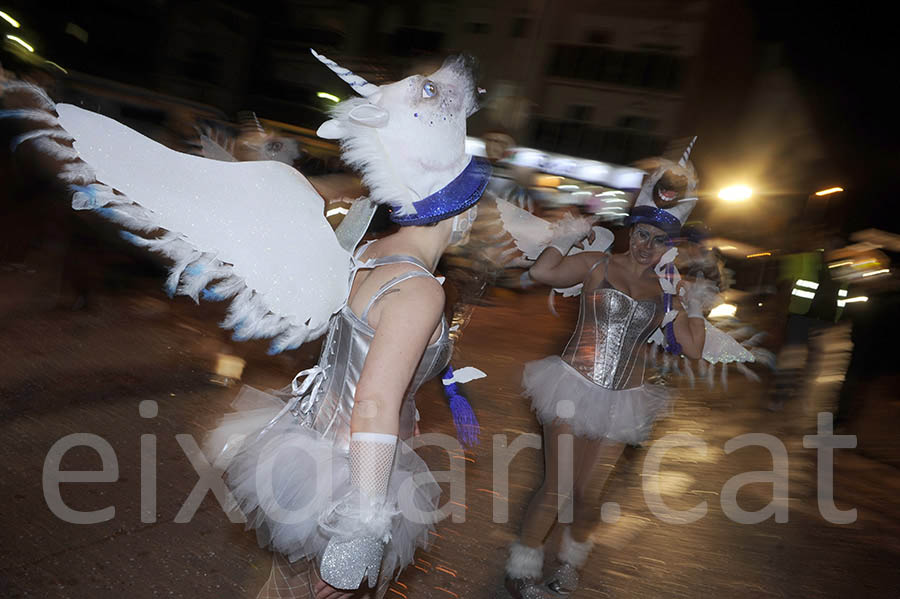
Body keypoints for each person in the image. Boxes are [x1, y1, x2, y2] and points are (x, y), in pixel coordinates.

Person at [504, 143, 713, 598]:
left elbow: (694, 349)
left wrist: (694, 307)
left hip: (624, 398)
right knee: (558, 485)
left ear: (670, 246)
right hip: (572, 383)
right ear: (632, 230)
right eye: (642, 235)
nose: (647, 247)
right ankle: (521, 568)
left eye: (659, 241)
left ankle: (569, 563)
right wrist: (566, 234)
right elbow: (544, 273)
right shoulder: (598, 264)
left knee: (584, 493)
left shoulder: (668, 291)